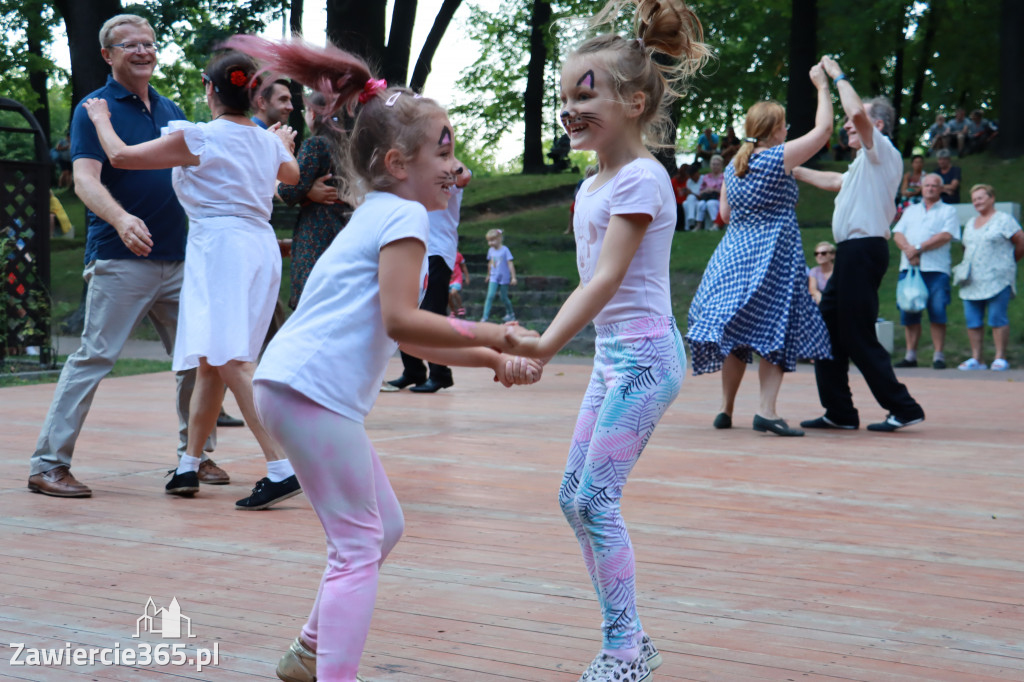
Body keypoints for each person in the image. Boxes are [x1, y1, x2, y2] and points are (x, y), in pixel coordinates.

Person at [225, 33, 543, 682]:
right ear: (399, 163)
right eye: (445, 150)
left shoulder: (380, 213)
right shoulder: (403, 219)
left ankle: (310, 652)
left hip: (296, 387)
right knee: (357, 546)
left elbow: (410, 340)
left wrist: (489, 358)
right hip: (311, 392)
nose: (459, 166)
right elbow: (405, 319)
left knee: (383, 526)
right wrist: (498, 336)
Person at [510, 1, 710, 677]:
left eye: (584, 94)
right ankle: (629, 640)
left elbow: (603, 281)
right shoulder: (595, 181)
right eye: (563, 96)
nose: (568, 108)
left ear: (634, 100)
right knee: (573, 497)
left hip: (648, 359)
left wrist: (542, 344)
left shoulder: (642, 180)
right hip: (613, 358)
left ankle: (625, 648)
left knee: (595, 500)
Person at [82, 49, 303, 509]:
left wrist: (100, 117)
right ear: (253, 96)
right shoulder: (264, 140)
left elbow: (120, 156)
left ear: (209, 90)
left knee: (231, 358)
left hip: (221, 248)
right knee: (211, 359)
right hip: (259, 246)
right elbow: (293, 175)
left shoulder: (200, 137)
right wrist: (281, 144)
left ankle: (282, 466)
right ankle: (188, 464)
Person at [27, 14, 223, 499]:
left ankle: (195, 456)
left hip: (179, 258)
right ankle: (48, 464)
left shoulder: (171, 107)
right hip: (121, 257)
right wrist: (119, 219)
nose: (142, 51)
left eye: (149, 44)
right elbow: (85, 181)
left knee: (197, 360)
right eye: (129, 44)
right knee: (94, 357)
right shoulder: (94, 108)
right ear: (107, 55)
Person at [687, 71, 834, 438]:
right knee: (775, 327)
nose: (788, 131)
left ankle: (726, 409)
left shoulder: (736, 167)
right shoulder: (775, 158)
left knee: (738, 331)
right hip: (773, 253)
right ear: (774, 130)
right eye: (784, 125)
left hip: (734, 254)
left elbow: (723, 216)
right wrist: (823, 87)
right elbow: (824, 132)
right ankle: (766, 411)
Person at [792, 56, 925, 433]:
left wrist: (836, 76)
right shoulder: (862, 167)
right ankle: (840, 411)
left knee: (857, 334)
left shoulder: (882, 150)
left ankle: (904, 407)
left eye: (855, 119)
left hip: (863, 252)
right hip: (853, 253)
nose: (847, 124)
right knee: (827, 332)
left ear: (876, 125)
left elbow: (858, 115)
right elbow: (834, 181)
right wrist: (788, 165)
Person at [387, 163, 473, 393]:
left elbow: (465, 177)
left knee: (432, 312)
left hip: (438, 252)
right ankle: (413, 371)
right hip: (415, 250)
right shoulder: (416, 179)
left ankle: (440, 373)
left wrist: (450, 162)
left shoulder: (448, 176)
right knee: (406, 310)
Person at [278, 90, 353, 309]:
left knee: (312, 302)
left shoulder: (316, 145)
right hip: (342, 229)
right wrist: (309, 191)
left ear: (312, 112)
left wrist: (284, 153)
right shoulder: (346, 148)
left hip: (317, 232)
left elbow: (289, 191)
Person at [891, 173, 959, 369]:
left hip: (936, 270)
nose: (930, 188)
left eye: (934, 186)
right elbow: (898, 233)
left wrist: (918, 248)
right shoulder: (910, 210)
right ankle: (910, 355)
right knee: (909, 311)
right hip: (910, 268)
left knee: (937, 311)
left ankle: (938, 355)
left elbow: (946, 235)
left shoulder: (948, 211)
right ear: (921, 187)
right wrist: (908, 250)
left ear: (941, 189)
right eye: (927, 185)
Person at [956, 184, 1024, 371]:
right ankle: (977, 359)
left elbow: (1020, 240)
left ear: (992, 198)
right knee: (973, 320)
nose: (976, 202)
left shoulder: (1004, 219)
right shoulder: (970, 223)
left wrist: (1009, 263)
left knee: (997, 318)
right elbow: (965, 247)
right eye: (974, 199)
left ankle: (1000, 357)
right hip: (971, 280)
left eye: (980, 197)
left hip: (997, 278)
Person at [479, 228, 517, 322]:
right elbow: (490, 263)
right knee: (490, 295)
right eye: (489, 241)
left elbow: (510, 263)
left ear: (499, 239)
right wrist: (488, 275)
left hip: (504, 277)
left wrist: (513, 277)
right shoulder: (490, 250)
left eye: (492, 240)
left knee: (503, 297)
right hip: (494, 276)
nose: (490, 243)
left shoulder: (505, 250)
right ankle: (485, 317)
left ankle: (511, 313)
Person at [695, 153, 724, 229]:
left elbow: (726, 193)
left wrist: (715, 190)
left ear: (721, 166)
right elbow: (700, 192)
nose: (715, 166)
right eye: (713, 164)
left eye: (717, 164)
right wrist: (706, 190)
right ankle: (698, 225)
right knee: (701, 204)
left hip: (719, 200)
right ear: (710, 165)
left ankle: (715, 224)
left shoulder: (724, 177)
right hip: (707, 198)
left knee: (711, 203)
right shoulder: (706, 177)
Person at [808, 240, 835, 305]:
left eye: (823, 253)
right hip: (821, 300)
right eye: (816, 254)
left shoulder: (838, 270)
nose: (819, 256)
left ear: (832, 255)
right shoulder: (814, 271)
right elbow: (813, 289)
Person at [448, 249, 469, 317]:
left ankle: (460, 307)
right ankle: (453, 310)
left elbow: (463, 266)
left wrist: (467, 277)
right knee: (448, 296)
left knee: (453, 292)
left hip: (457, 278)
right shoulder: (445, 255)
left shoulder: (458, 255)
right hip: (448, 280)